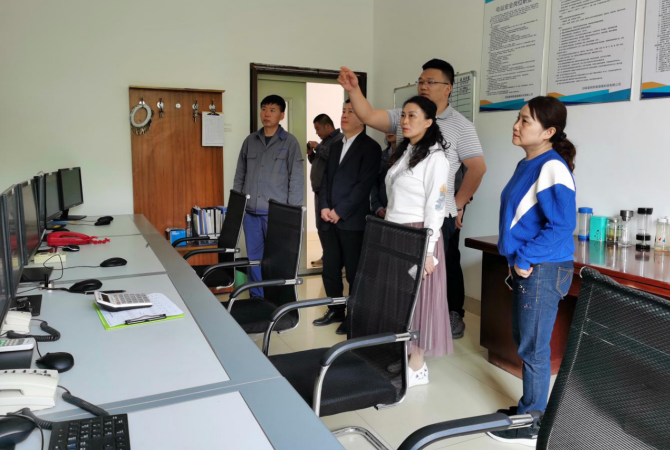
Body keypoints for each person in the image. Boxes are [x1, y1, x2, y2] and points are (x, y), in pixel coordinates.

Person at [338, 59, 486, 339]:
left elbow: (477, 168)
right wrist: (354, 90)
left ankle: (450, 316)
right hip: (401, 219)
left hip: (436, 214)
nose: (423, 86)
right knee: (404, 285)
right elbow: (368, 115)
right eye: (421, 81)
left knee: (441, 268)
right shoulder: (406, 119)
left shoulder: (461, 126)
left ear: (448, 88)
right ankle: (402, 337)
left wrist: (458, 204)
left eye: (431, 82)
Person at [487, 96, 576, 447]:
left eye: (525, 121)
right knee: (526, 342)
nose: (516, 125)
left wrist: (524, 257)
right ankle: (529, 408)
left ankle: (534, 424)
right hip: (530, 267)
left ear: (548, 132)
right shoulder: (529, 162)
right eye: (518, 118)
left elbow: (561, 226)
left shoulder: (552, 166)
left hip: (542, 268)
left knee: (534, 348)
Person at [385, 96, 452, 387]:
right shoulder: (406, 151)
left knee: (421, 300)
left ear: (428, 122)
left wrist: (428, 250)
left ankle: (417, 364)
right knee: (401, 299)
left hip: (419, 235)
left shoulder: (436, 158)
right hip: (396, 233)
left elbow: (435, 207)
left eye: (412, 115)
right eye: (403, 115)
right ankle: (404, 352)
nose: (405, 121)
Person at [313, 100, 381, 335]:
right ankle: (335, 310)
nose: (345, 115)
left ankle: (354, 315)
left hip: (351, 220)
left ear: (363, 117)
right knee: (330, 269)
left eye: (351, 112)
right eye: (343, 111)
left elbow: (363, 186)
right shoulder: (335, 146)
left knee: (353, 272)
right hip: (329, 219)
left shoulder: (370, 147)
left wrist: (339, 211)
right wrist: (324, 207)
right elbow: (325, 180)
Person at [233, 95, 304, 297]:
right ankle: (257, 298)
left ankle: (277, 299)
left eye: (272, 110)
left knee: (277, 260)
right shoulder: (250, 141)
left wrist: (292, 215)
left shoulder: (290, 142)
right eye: (264, 108)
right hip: (251, 214)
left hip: (276, 216)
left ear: (281, 115)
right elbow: (239, 176)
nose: (266, 113)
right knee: (254, 260)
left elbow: (296, 179)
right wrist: (238, 207)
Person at [307, 114, 343, 268]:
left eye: (318, 128)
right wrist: (311, 154)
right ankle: (327, 256)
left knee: (327, 226)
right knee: (321, 226)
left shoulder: (339, 140)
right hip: (319, 190)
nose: (316, 132)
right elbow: (319, 162)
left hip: (329, 192)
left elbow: (334, 159)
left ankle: (333, 258)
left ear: (327, 126)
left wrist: (318, 147)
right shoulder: (325, 141)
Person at [370, 133, 396, 218]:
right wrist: (377, 206)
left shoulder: (409, 156)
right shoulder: (381, 156)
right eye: (387, 130)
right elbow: (373, 183)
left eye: (394, 129)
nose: (389, 132)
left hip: (399, 211)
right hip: (381, 210)